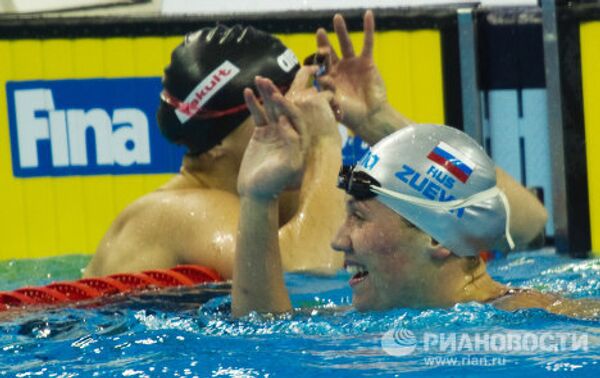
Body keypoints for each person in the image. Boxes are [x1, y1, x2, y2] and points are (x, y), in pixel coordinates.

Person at [230, 12, 598, 319]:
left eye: (358, 217)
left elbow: (528, 219)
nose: (338, 240)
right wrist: (258, 198)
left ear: (436, 236)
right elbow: (263, 330)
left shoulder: (543, 322)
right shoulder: (379, 311)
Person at [83, 25, 345, 279]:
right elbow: (309, 276)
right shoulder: (176, 213)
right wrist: (325, 142)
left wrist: (375, 125)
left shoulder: (275, 196)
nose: (302, 113)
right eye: (277, 105)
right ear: (217, 139)